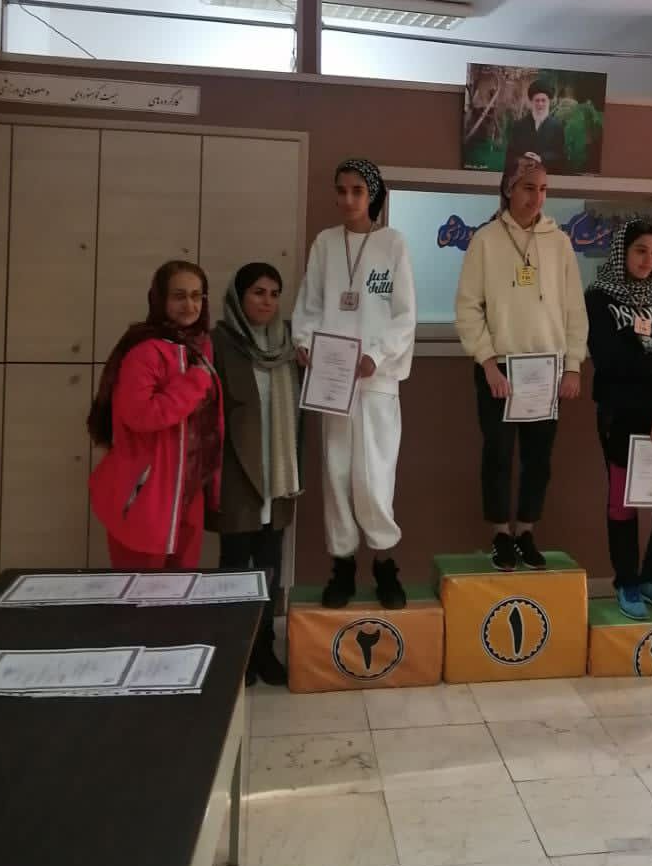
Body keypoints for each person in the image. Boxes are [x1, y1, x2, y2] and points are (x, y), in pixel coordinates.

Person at [292, 158, 416, 611]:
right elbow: (309, 304)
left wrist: (376, 355)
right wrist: (304, 342)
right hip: (331, 379)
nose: (348, 199)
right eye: (341, 190)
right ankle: (342, 566)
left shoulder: (393, 243)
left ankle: (385, 564)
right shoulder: (325, 243)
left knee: (374, 477)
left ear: (373, 194)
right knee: (337, 473)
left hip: (377, 380)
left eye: (357, 191)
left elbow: (404, 315)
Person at [455, 152, 588, 570]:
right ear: (509, 189)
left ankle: (526, 531)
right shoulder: (485, 240)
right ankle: (500, 534)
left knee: (538, 458)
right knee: (498, 454)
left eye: (544, 189)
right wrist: (487, 362)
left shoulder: (559, 242)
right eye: (529, 188)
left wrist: (573, 365)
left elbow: (574, 309)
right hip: (500, 369)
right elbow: (468, 307)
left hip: (547, 370)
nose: (537, 197)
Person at [586, 218, 652, 619]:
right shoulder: (599, 297)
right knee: (623, 500)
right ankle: (627, 582)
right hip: (620, 411)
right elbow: (611, 360)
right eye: (640, 251)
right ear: (622, 253)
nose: (648, 260)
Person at [88, 261, 222, 570]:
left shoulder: (199, 348)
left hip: (187, 491)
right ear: (160, 299)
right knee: (140, 592)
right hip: (146, 492)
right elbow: (142, 416)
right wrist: (195, 381)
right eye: (179, 296)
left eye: (197, 296)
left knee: (179, 591)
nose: (190, 305)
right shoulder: (145, 351)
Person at [211, 263, 303, 686]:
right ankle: (235, 652)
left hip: (278, 473)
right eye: (258, 292)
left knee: (270, 567)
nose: (267, 301)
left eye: (274, 293)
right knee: (234, 566)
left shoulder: (290, 343)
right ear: (239, 296)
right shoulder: (219, 342)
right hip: (237, 471)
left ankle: (264, 647)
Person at [505, 79, 568, 174]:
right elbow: (510, 154)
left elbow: (560, 155)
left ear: (549, 102)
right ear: (531, 102)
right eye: (537, 100)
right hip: (523, 175)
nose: (540, 104)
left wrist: (541, 158)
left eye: (543, 100)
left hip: (547, 175)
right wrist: (524, 155)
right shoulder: (519, 125)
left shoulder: (557, 127)